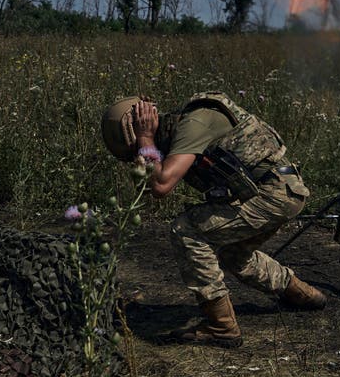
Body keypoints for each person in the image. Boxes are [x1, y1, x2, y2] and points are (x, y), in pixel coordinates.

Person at [101, 91, 327, 348]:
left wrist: (144, 138)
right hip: (276, 192)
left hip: (273, 193)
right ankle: (303, 295)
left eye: (138, 153)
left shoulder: (192, 124)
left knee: (186, 229)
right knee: (234, 256)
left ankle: (221, 326)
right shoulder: (182, 131)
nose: (141, 156)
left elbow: (161, 185)